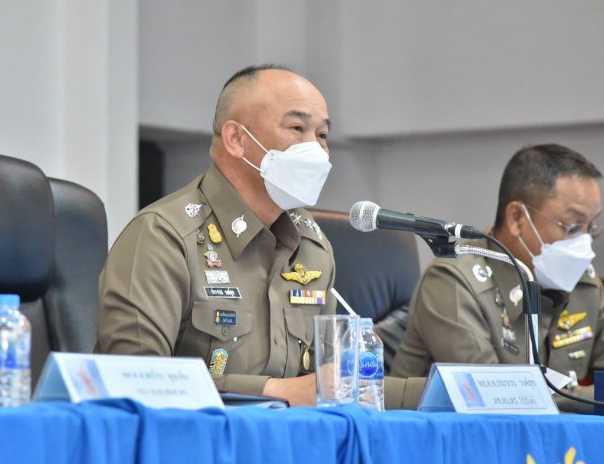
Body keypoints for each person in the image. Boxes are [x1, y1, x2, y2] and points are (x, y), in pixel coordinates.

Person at [97, 64, 424, 408]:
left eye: (322, 135)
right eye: (297, 128)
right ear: (236, 139)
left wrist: (438, 393)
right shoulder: (164, 236)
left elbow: (331, 384)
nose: (316, 150)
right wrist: (275, 391)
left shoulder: (313, 248)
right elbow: (135, 381)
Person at [392, 144, 604, 410]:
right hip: (445, 434)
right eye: (573, 227)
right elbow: (494, 399)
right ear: (517, 218)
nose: (585, 243)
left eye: (591, 228)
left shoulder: (584, 283)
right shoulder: (452, 281)